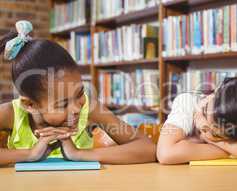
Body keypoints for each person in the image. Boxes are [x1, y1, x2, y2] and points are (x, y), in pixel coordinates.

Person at [0, 21, 156, 165]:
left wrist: (79, 154)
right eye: (63, 104)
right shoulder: (11, 113)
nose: (76, 108)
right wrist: (29, 154)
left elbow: (148, 148)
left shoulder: (90, 108)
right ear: (30, 105)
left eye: (80, 93)